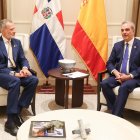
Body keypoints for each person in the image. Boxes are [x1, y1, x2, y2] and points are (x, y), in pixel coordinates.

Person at [0, 19, 38, 136]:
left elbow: (22, 59)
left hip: (16, 72)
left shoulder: (17, 42)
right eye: (11, 29)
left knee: (33, 80)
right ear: (3, 30)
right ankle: (10, 122)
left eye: (14, 29)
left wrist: (25, 68)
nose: (14, 31)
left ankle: (17, 112)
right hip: (2, 73)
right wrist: (13, 74)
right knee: (15, 81)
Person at [101, 21, 140, 117]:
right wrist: (115, 72)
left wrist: (129, 76)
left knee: (124, 87)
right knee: (104, 84)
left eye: (127, 30)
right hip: (118, 75)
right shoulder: (117, 45)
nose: (124, 32)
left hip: (134, 77)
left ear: (133, 31)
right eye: (122, 30)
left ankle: (115, 116)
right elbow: (109, 63)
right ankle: (117, 112)